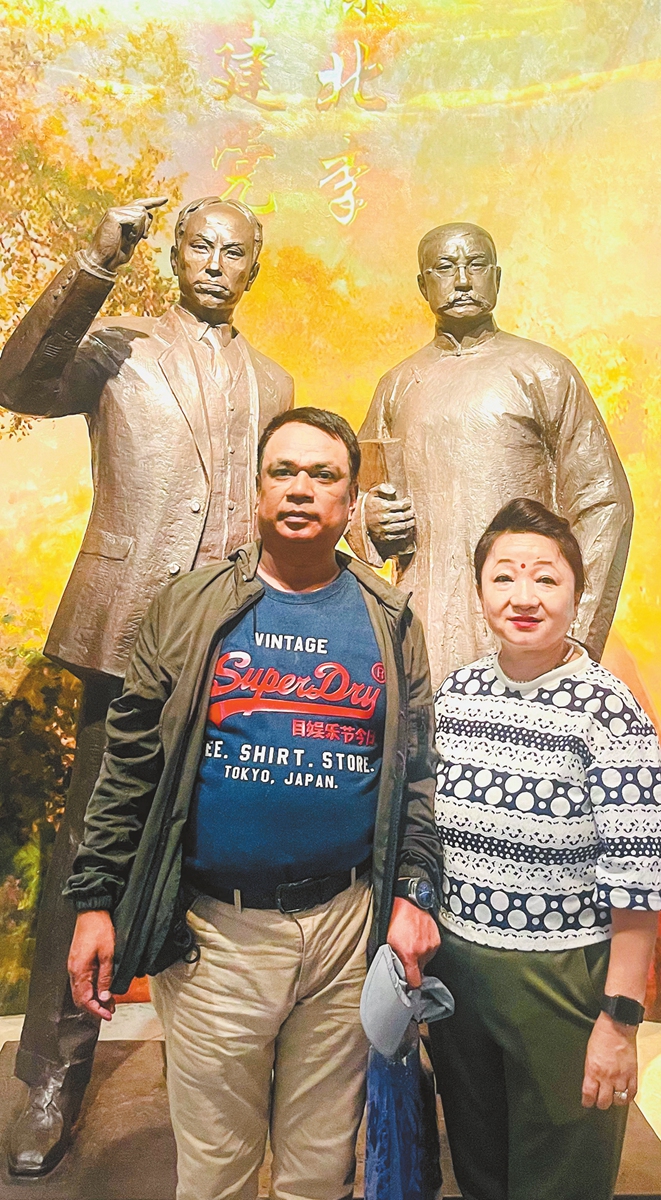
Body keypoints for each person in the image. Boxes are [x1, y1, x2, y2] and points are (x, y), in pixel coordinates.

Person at [64, 408, 441, 1200]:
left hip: (345, 929)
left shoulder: (389, 618)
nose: (301, 490)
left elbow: (413, 775)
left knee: (317, 1168)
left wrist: (413, 892)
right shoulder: (189, 607)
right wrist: (95, 901)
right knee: (216, 1171)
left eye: (323, 475)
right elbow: (130, 762)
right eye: (283, 472)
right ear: (255, 489)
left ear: (350, 500)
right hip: (217, 935)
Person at [0, 194, 293, 1175]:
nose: (215, 262)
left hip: (238, 646)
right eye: (200, 246)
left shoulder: (275, 380)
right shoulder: (117, 346)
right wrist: (93, 258)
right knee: (91, 856)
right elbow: (20, 379)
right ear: (174, 255)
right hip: (128, 634)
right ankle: (49, 1077)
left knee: (227, 860)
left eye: (234, 251)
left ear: (256, 265)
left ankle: (215, 1070)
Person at [428, 497, 661, 1200]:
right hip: (459, 978)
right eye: (503, 577)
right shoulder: (456, 693)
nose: (522, 597)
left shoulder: (606, 707)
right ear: (478, 591)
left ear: (575, 591)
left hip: (563, 984)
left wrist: (619, 1023)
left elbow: (638, 879)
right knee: (480, 1172)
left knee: (559, 1177)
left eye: (544, 578)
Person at [348, 222, 632, 687]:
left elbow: (605, 504)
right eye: (444, 268)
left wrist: (573, 636)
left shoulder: (544, 371)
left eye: (476, 265)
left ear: (497, 278)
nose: (462, 280)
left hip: (522, 626)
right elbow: (356, 497)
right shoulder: (396, 386)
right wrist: (369, 521)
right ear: (423, 285)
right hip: (420, 623)